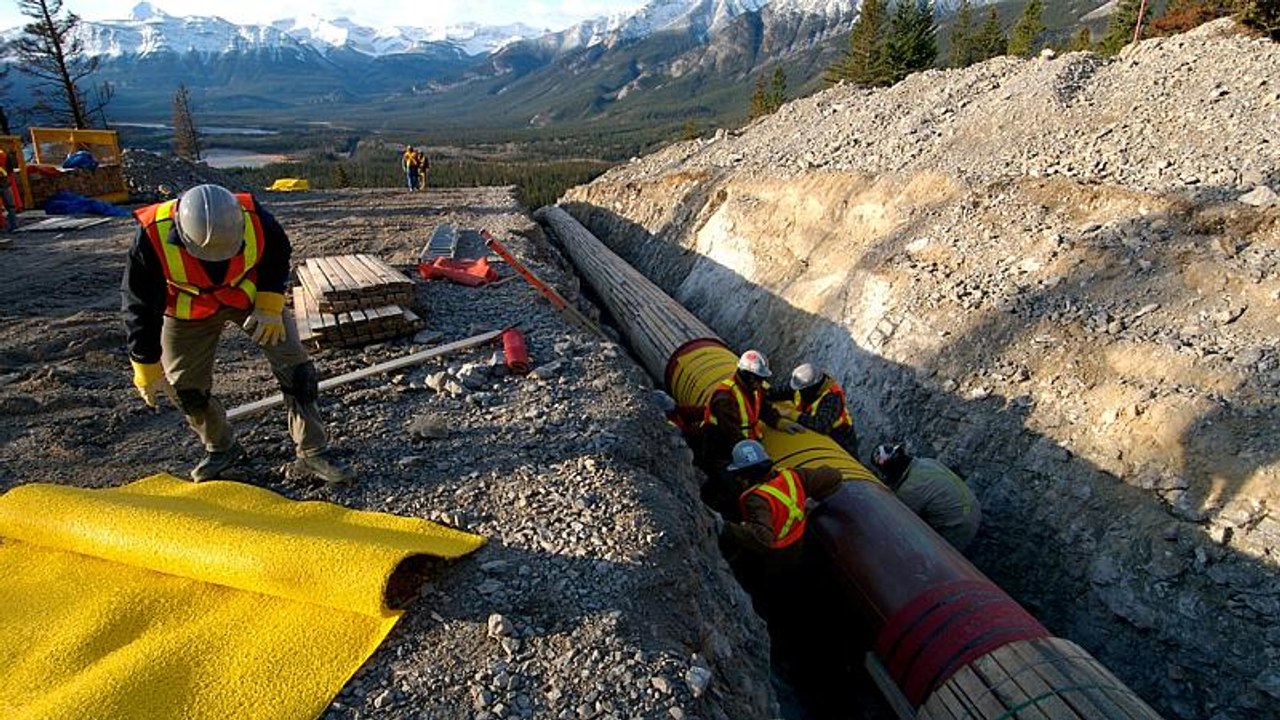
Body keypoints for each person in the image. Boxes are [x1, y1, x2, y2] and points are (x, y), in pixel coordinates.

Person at [122, 184, 354, 485]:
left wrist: (270, 303)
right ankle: (221, 449)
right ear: (180, 234)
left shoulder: (257, 218)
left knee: (297, 371)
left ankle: (312, 451)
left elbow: (277, 254)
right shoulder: (150, 236)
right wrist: (145, 361)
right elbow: (139, 302)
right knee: (187, 391)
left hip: (249, 299)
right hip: (188, 312)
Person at [700, 349, 801, 509]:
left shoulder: (753, 388)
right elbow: (731, 434)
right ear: (748, 375)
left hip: (743, 444)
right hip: (720, 450)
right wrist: (755, 460)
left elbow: (764, 409)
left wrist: (780, 422)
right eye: (759, 379)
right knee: (732, 490)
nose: (761, 383)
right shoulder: (725, 397)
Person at [871, 444, 980, 551]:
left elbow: (898, 524)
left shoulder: (910, 489)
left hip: (960, 524)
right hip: (973, 507)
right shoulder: (928, 462)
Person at [775, 362, 858, 457]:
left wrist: (790, 414)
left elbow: (821, 425)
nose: (798, 391)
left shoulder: (832, 398)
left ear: (813, 387)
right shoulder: (802, 385)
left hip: (841, 437)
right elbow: (781, 392)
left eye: (802, 390)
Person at [0, 147, 18, 231]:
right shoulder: (4, 155)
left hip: (4, 183)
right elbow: (10, 170)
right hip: (5, 183)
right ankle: (13, 225)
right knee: (10, 206)